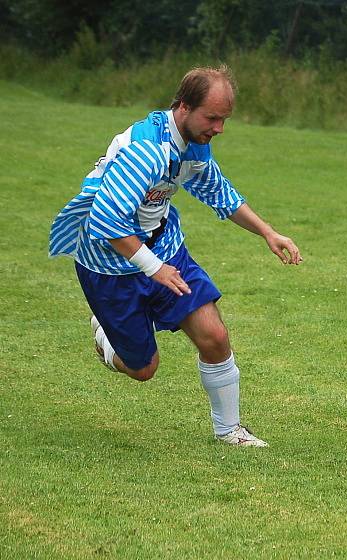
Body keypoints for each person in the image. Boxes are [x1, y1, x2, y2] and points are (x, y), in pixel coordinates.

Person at [49, 65, 302, 447]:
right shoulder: (146, 151)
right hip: (108, 263)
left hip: (163, 246)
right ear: (183, 106)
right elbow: (106, 221)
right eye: (212, 118)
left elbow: (218, 191)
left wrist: (268, 232)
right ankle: (105, 337)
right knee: (143, 368)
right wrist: (155, 268)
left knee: (214, 335)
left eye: (224, 119)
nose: (219, 128)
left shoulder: (193, 143)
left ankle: (229, 430)